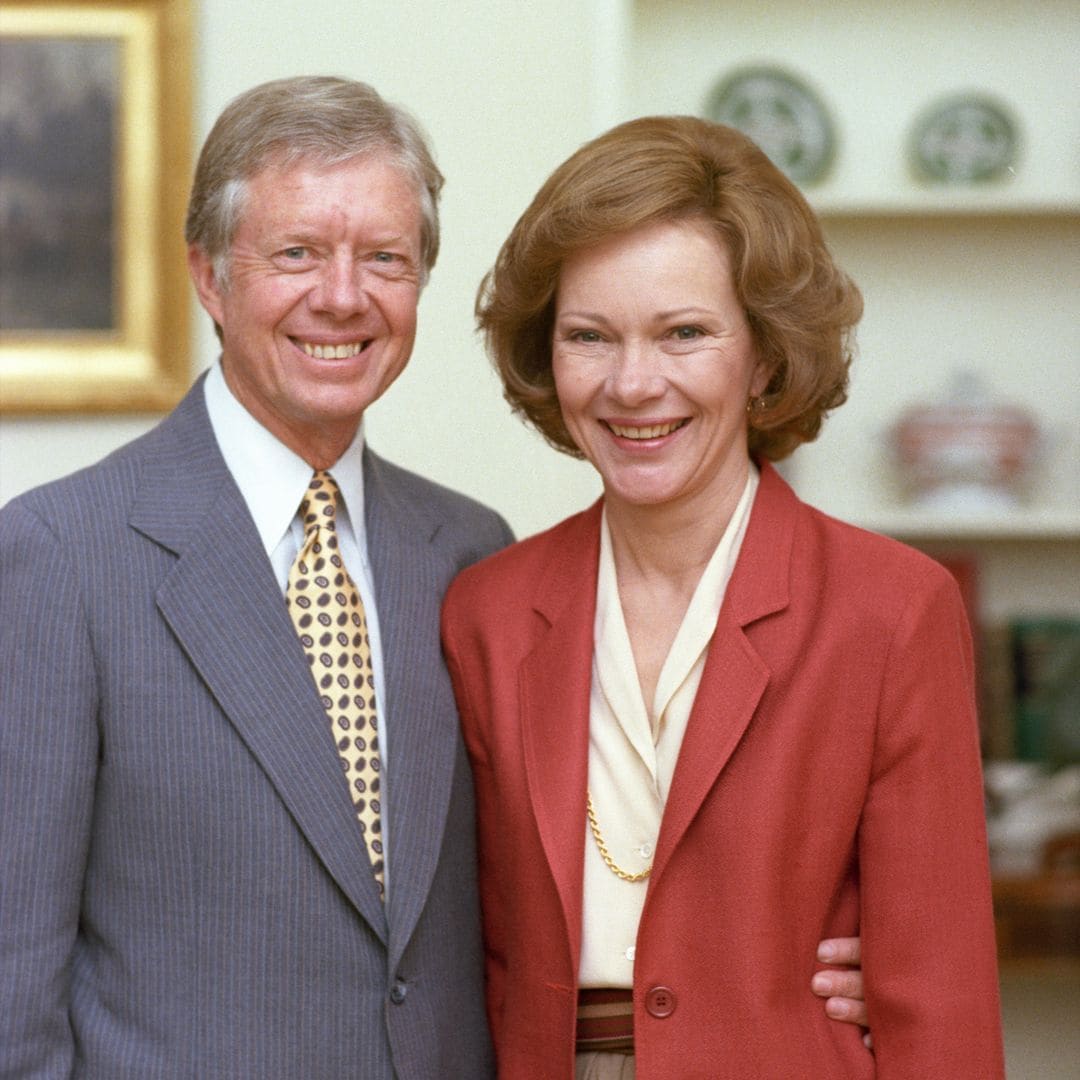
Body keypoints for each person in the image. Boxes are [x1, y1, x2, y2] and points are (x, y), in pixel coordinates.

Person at [0, 78, 867, 1077]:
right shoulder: (60, 557)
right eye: (295, 254)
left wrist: (824, 963)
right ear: (207, 276)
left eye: (384, 259)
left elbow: (557, 886)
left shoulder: (469, 553)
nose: (342, 295)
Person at [441, 115, 1005, 1078]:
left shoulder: (893, 610)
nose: (632, 384)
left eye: (685, 334)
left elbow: (940, 1002)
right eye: (589, 336)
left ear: (767, 355)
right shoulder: (485, 611)